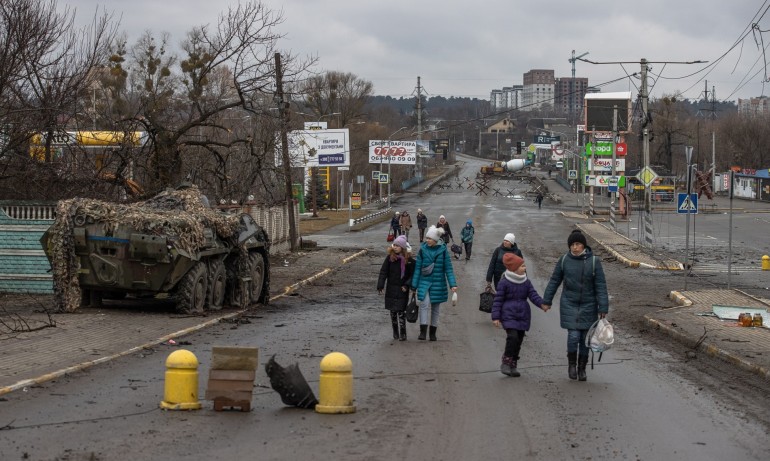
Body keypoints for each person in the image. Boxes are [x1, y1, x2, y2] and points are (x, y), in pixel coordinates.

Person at [542, 230, 609, 382]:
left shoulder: (594, 262)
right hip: (569, 303)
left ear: (583, 245)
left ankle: (582, 368)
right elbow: (554, 281)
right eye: (572, 244)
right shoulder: (564, 260)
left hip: (589, 304)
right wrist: (547, 301)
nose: (574, 247)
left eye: (577, 244)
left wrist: (603, 307)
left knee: (585, 339)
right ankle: (572, 365)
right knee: (573, 336)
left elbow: (600, 285)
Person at [491, 253, 549, 377]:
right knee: (513, 337)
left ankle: (513, 364)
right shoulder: (504, 282)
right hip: (508, 315)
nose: (525, 268)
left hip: (523, 315)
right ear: (514, 268)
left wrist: (542, 304)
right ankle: (506, 362)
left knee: (519, 340)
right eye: (522, 266)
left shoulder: (526, 282)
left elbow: (533, 295)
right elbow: (498, 300)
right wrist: (496, 317)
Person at [411, 226, 457, 341]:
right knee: (424, 303)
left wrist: (453, 284)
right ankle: (423, 332)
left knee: (435, 307)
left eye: (429, 238)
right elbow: (417, 269)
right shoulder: (422, 250)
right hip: (424, 282)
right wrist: (414, 285)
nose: (427, 240)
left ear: (435, 240)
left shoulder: (443, 251)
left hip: (438, 283)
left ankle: (432, 333)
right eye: (426, 238)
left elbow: (448, 269)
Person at [377, 235, 415, 341]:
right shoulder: (390, 258)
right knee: (393, 311)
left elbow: (413, 275)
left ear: (402, 247)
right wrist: (380, 284)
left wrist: (407, 285)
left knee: (401, 311)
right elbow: (383, 272)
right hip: (391, 289)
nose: (395, 247)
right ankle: (395, 332)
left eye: (397, 245)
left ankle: (403, 333)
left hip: (402, 289)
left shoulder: (409, 260)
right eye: (394, 245)